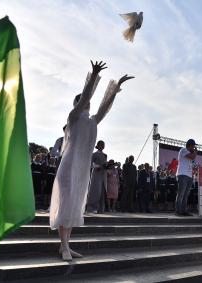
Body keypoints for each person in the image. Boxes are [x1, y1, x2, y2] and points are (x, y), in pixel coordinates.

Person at [49, 60, 133, 261]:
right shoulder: (74, 117)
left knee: (74, 206)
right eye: (84, 101)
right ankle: (64, 246)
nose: (88, 102)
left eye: (88, 102)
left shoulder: (92, 121)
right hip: (69, 166)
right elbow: (87, 95)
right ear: (77, 104)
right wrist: (94, 76)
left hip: (81, 169)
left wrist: (116, 88)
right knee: (66, 206)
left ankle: (66, 246)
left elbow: (104, 108)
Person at [175, 139, 198, 216]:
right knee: (181, 193)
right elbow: (193, 157)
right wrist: (196, 151)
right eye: (194, 146)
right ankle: (178, 210)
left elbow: (192, 162)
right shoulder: (183, 150)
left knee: (186, 194)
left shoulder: (190, 153)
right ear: (190, 145)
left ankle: (184, 210)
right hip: (182, 174)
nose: (194, 148)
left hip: (189, 175)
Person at [87, 140, 108, 214]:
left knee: (102, 190)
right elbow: (91, 163)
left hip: (103, 174)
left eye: (103, 145)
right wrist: (98, 166)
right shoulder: (94, 154)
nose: (102, 146)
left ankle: (101, 208)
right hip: (96, 173)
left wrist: (107, 166)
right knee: (95, 190)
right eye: (101, 144)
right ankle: (92, 207)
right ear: (98, 145)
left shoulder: (105, 155)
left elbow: (105, 164)